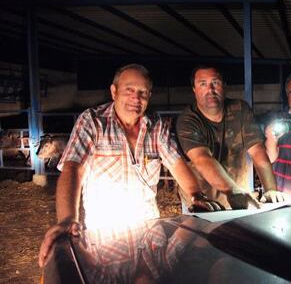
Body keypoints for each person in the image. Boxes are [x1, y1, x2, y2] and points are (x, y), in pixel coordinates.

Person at [38, 63, 222, 269]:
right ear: (114, 91)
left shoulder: (156, 125)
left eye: (143, 92)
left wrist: (196, 194)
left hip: (150, 231)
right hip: (106, 237)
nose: (137, 98)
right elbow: (74, 168)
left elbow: (175, 162)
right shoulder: (92, 122)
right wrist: (68, 219)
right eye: (129, 90)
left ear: (149, 95)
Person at [176, 65, 288, 210]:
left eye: (215, 83)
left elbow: (257, 150)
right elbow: (201, 158)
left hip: (239, 197)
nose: (210, 90)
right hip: (202, 201)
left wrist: (271, 189)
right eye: (202, 84)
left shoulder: (240, 109)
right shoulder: (188, 119)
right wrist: (233, 191)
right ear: (194, 89)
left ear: (224, 86)